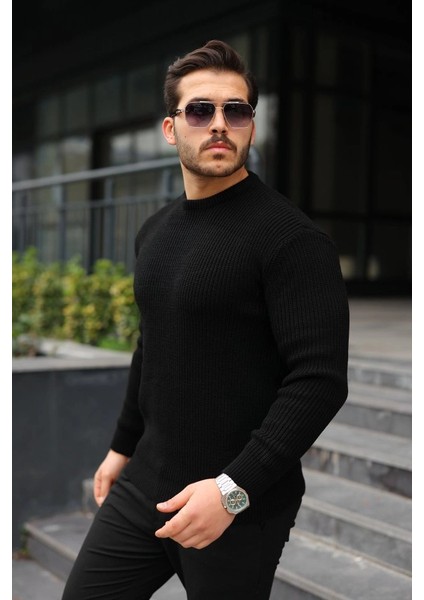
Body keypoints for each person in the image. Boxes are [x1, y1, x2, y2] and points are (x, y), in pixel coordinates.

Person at [62, 39, 349, 600]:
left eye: (235, 111)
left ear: (251, 127)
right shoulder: (155, 232)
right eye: (200, 110)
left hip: (239, 503)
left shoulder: (293, 240)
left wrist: (232, 490)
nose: (219, 124)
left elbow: (319, 382)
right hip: (145, 484)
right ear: (171, 129)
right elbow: (152, 344)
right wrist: (122, 446)